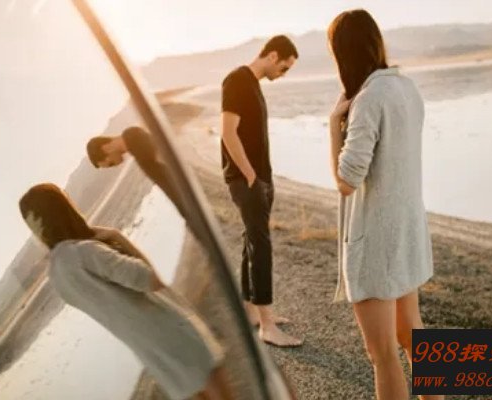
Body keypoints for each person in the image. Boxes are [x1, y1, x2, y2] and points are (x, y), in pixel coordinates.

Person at [18, 183, 232, 400]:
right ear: (63, 209)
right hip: (173, 333)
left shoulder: (57, 278)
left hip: (151, 353)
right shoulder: (84, 252)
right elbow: (152, 280)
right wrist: (118, 237)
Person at [327, 10, 443, 400]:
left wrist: (333, 126)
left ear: (342, 53)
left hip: (378, 241)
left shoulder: (368, 99)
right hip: (407, 230)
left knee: (382, 354)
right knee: (413, 336)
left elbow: (346, 181)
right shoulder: (406, 88)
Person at [221, 35, 302, 347]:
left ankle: (252, 312)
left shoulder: (252, 84)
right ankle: (268, 327)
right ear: (272, 56)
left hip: (259, 179)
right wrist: (251, 176)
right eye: (284, 67)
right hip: (247, 180)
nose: (283, 74)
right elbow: (228, 133)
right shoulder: (237, 80)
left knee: (251, 243)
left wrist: (262, 178)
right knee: (261, 245)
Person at [87, 126, 187, 219]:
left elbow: (168, 168)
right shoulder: (134, 140)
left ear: (106, 148)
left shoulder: (135, 139)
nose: (115, 166)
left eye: (110, 164)